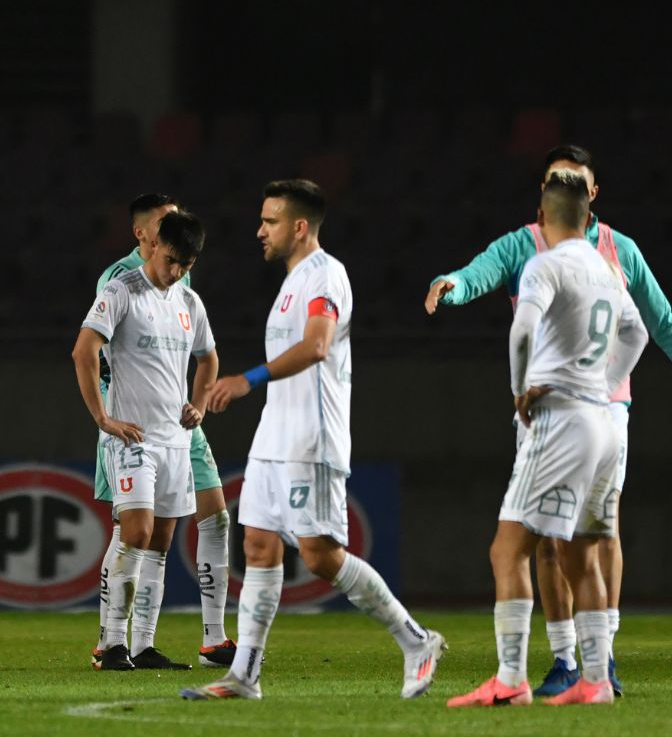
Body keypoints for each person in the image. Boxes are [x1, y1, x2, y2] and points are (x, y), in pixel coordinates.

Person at [183, 180, 445, 702]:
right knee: (257, 545)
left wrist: (246, 380)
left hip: (311, 438)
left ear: (299, 227)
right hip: (273, 438)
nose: (259, 230)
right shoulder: (290, 284)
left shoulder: (327, 276)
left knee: (322, 556)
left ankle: (417, 641)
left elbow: (318, 345)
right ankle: (245, 676)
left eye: (270, 221)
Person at [425, 145, 672, 696]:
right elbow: (641, 328)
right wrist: (455, 284)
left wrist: (524, 391)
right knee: (585, 538)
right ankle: (584, 669)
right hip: (602, 417)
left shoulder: (578, 256)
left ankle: (534, 674)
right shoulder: (599, 263)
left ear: (584, 198)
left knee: (521, 543)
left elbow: (523, 332)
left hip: (560, 412)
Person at [89, 195, 234, 671]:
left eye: (184, 263)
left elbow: (208, 356)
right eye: (171, 259)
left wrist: (199, 403)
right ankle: (111, 642)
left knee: (163, 539)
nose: (175, 269)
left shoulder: (189, 297)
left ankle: (145, 644)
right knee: (135, 529)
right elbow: (87, 352)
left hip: (177, 434)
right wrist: (105, 418)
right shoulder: (119, 284)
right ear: (146, 238)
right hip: (132, 432)